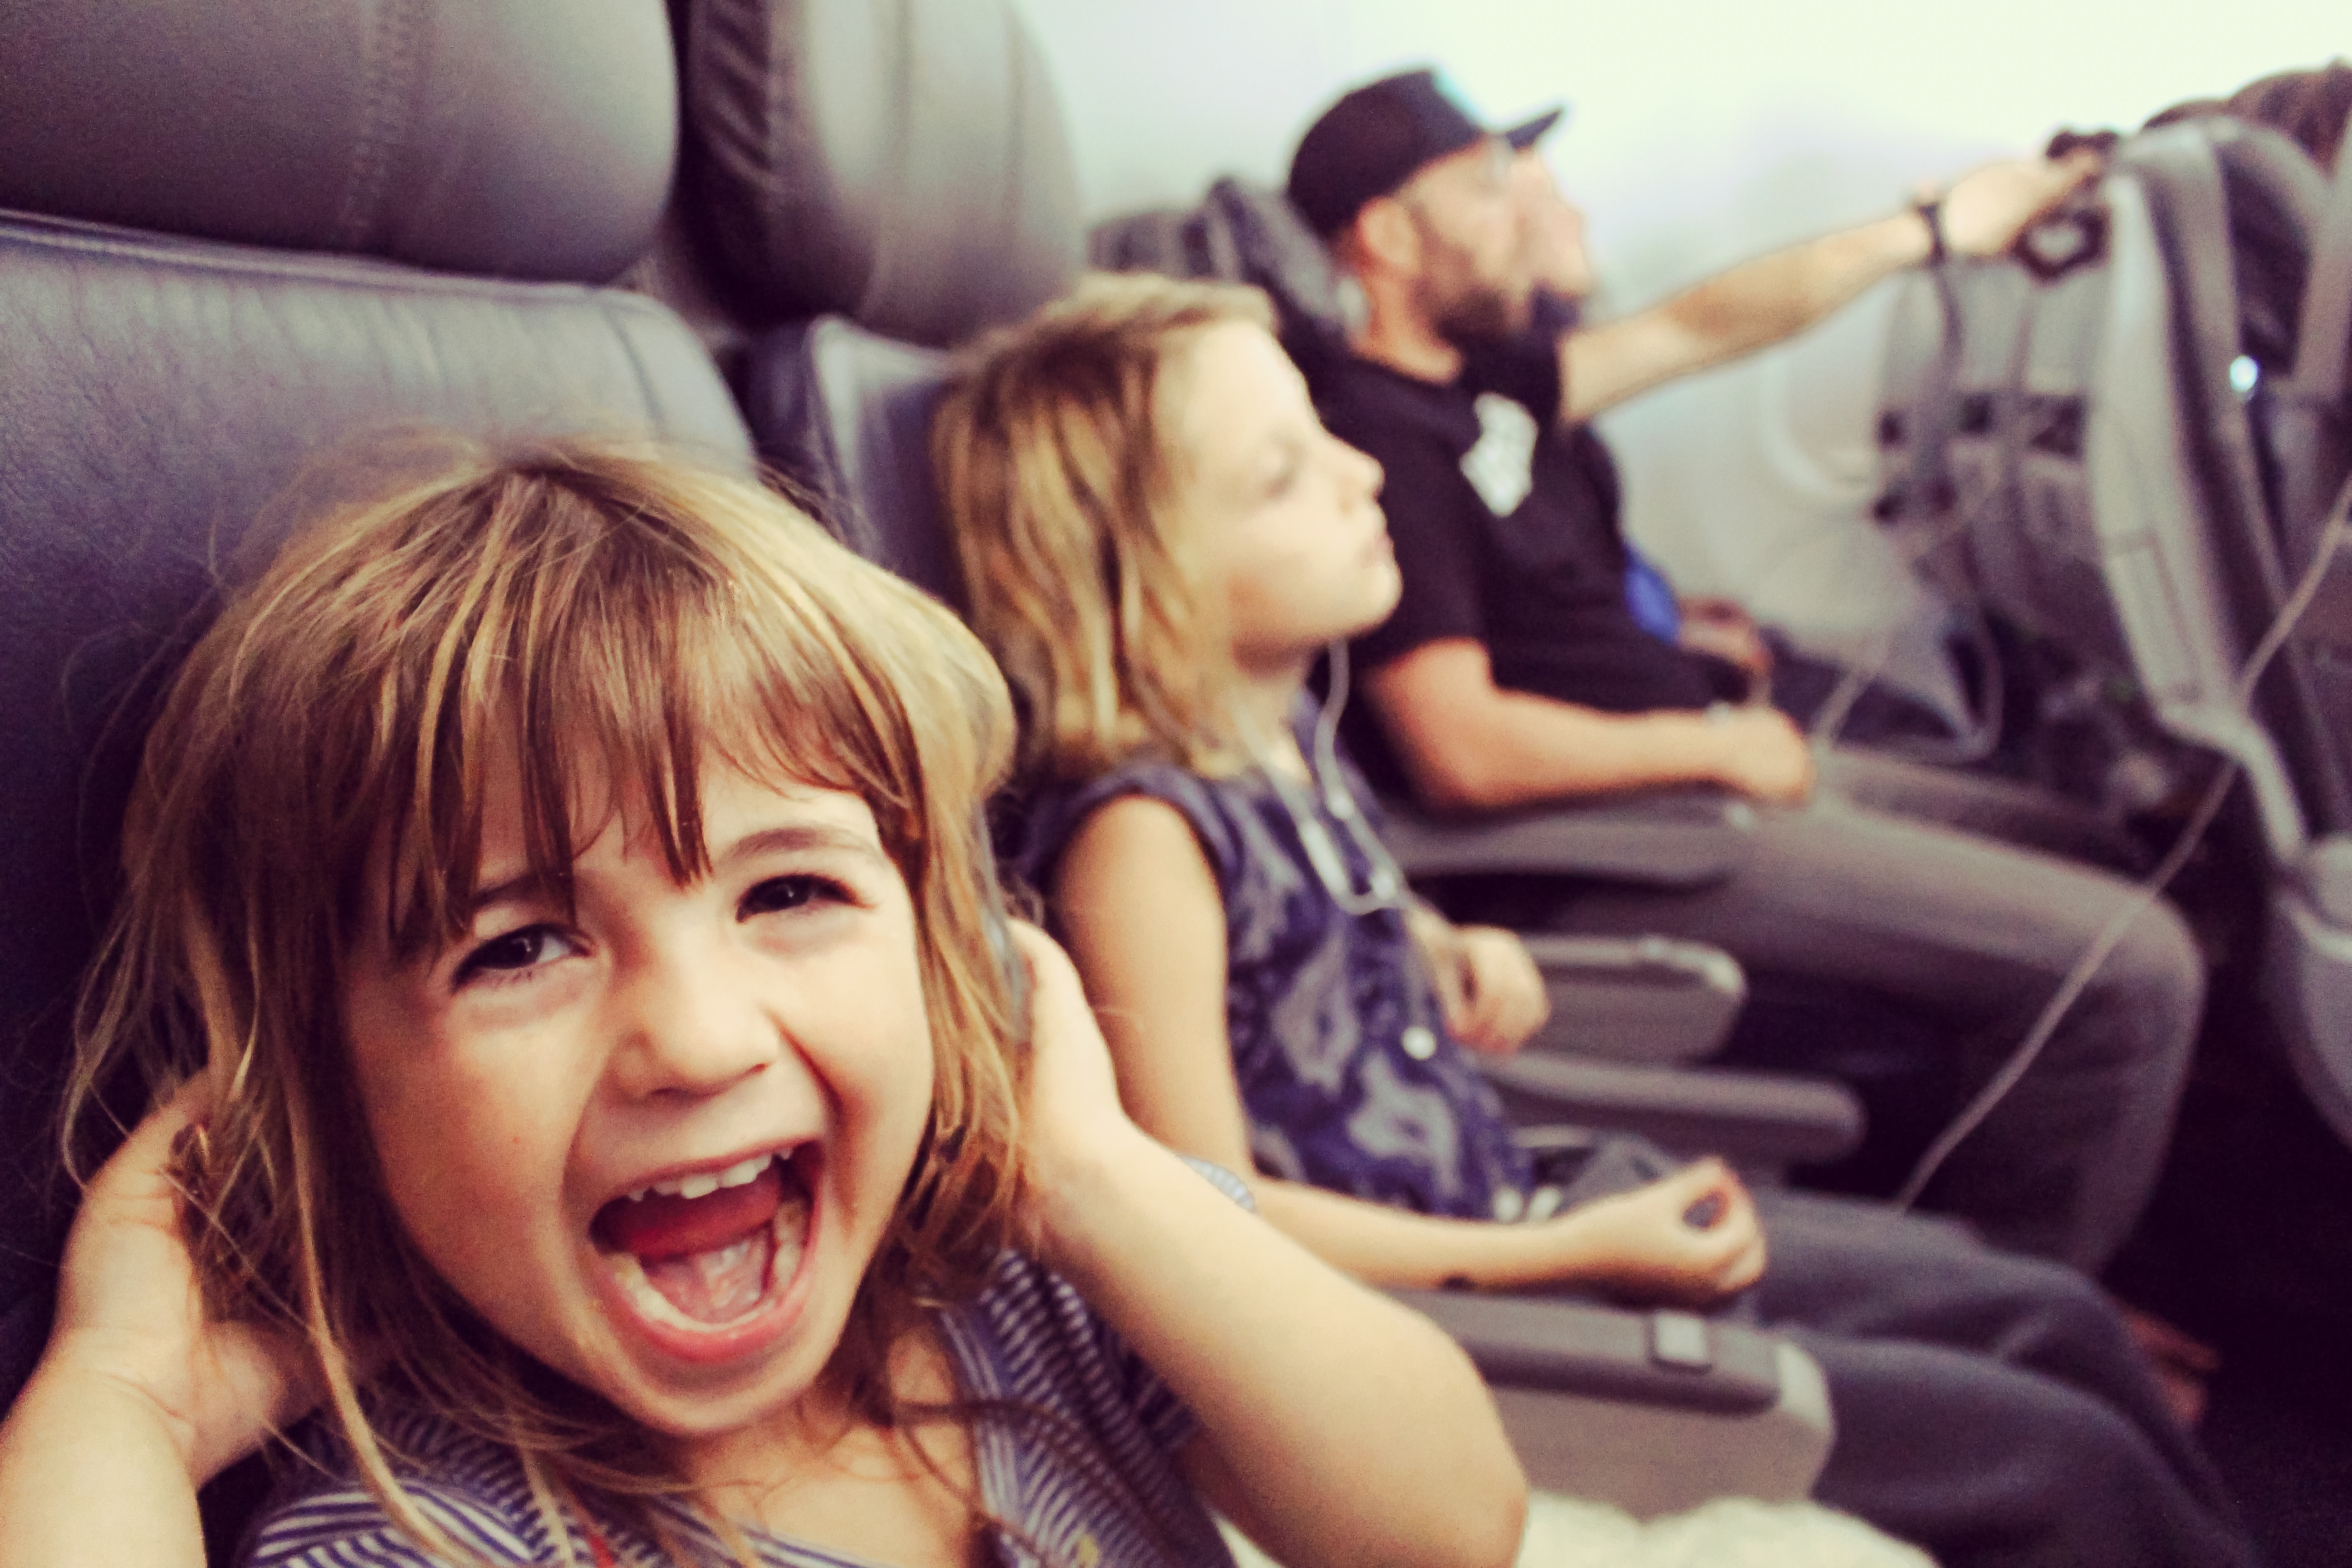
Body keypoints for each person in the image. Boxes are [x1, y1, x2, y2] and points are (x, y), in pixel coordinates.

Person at [932, 272, 2261, 1568]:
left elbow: (1312, 940)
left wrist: (1445, 946)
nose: (1366, 474)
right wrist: (1556, 1254)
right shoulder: (1142, 843)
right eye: (1284, 475)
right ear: (1138, 577)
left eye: (1327, 436)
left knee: (2051, 1312)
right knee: (2065, 1459)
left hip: (1523, 1211)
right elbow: (1215, 1228)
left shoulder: (1281, 741)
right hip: (1454, 1329)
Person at [0, 445, 1527, 1568]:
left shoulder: (1031, 1281)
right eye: (518, 949)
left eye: (789, 894)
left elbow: (1448, 1525)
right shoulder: (424, 1537)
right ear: (332, 1098)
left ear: (952, 965)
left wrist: (1098, 1177)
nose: (706, 1040)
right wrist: (123, 1403)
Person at [1274, 68, 2210, 1276]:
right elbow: (1462, 749)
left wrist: (1931, 234)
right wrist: (1712, 745)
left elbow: (1706, 323)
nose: (1529, 205)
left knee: (2102, 849)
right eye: (1490, 185)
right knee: (2132, 963)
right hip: (1614, 837)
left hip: (1684, 772)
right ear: (1391, 235)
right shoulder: (1378, 437)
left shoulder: (1485, 385)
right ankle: (2024, 1304)